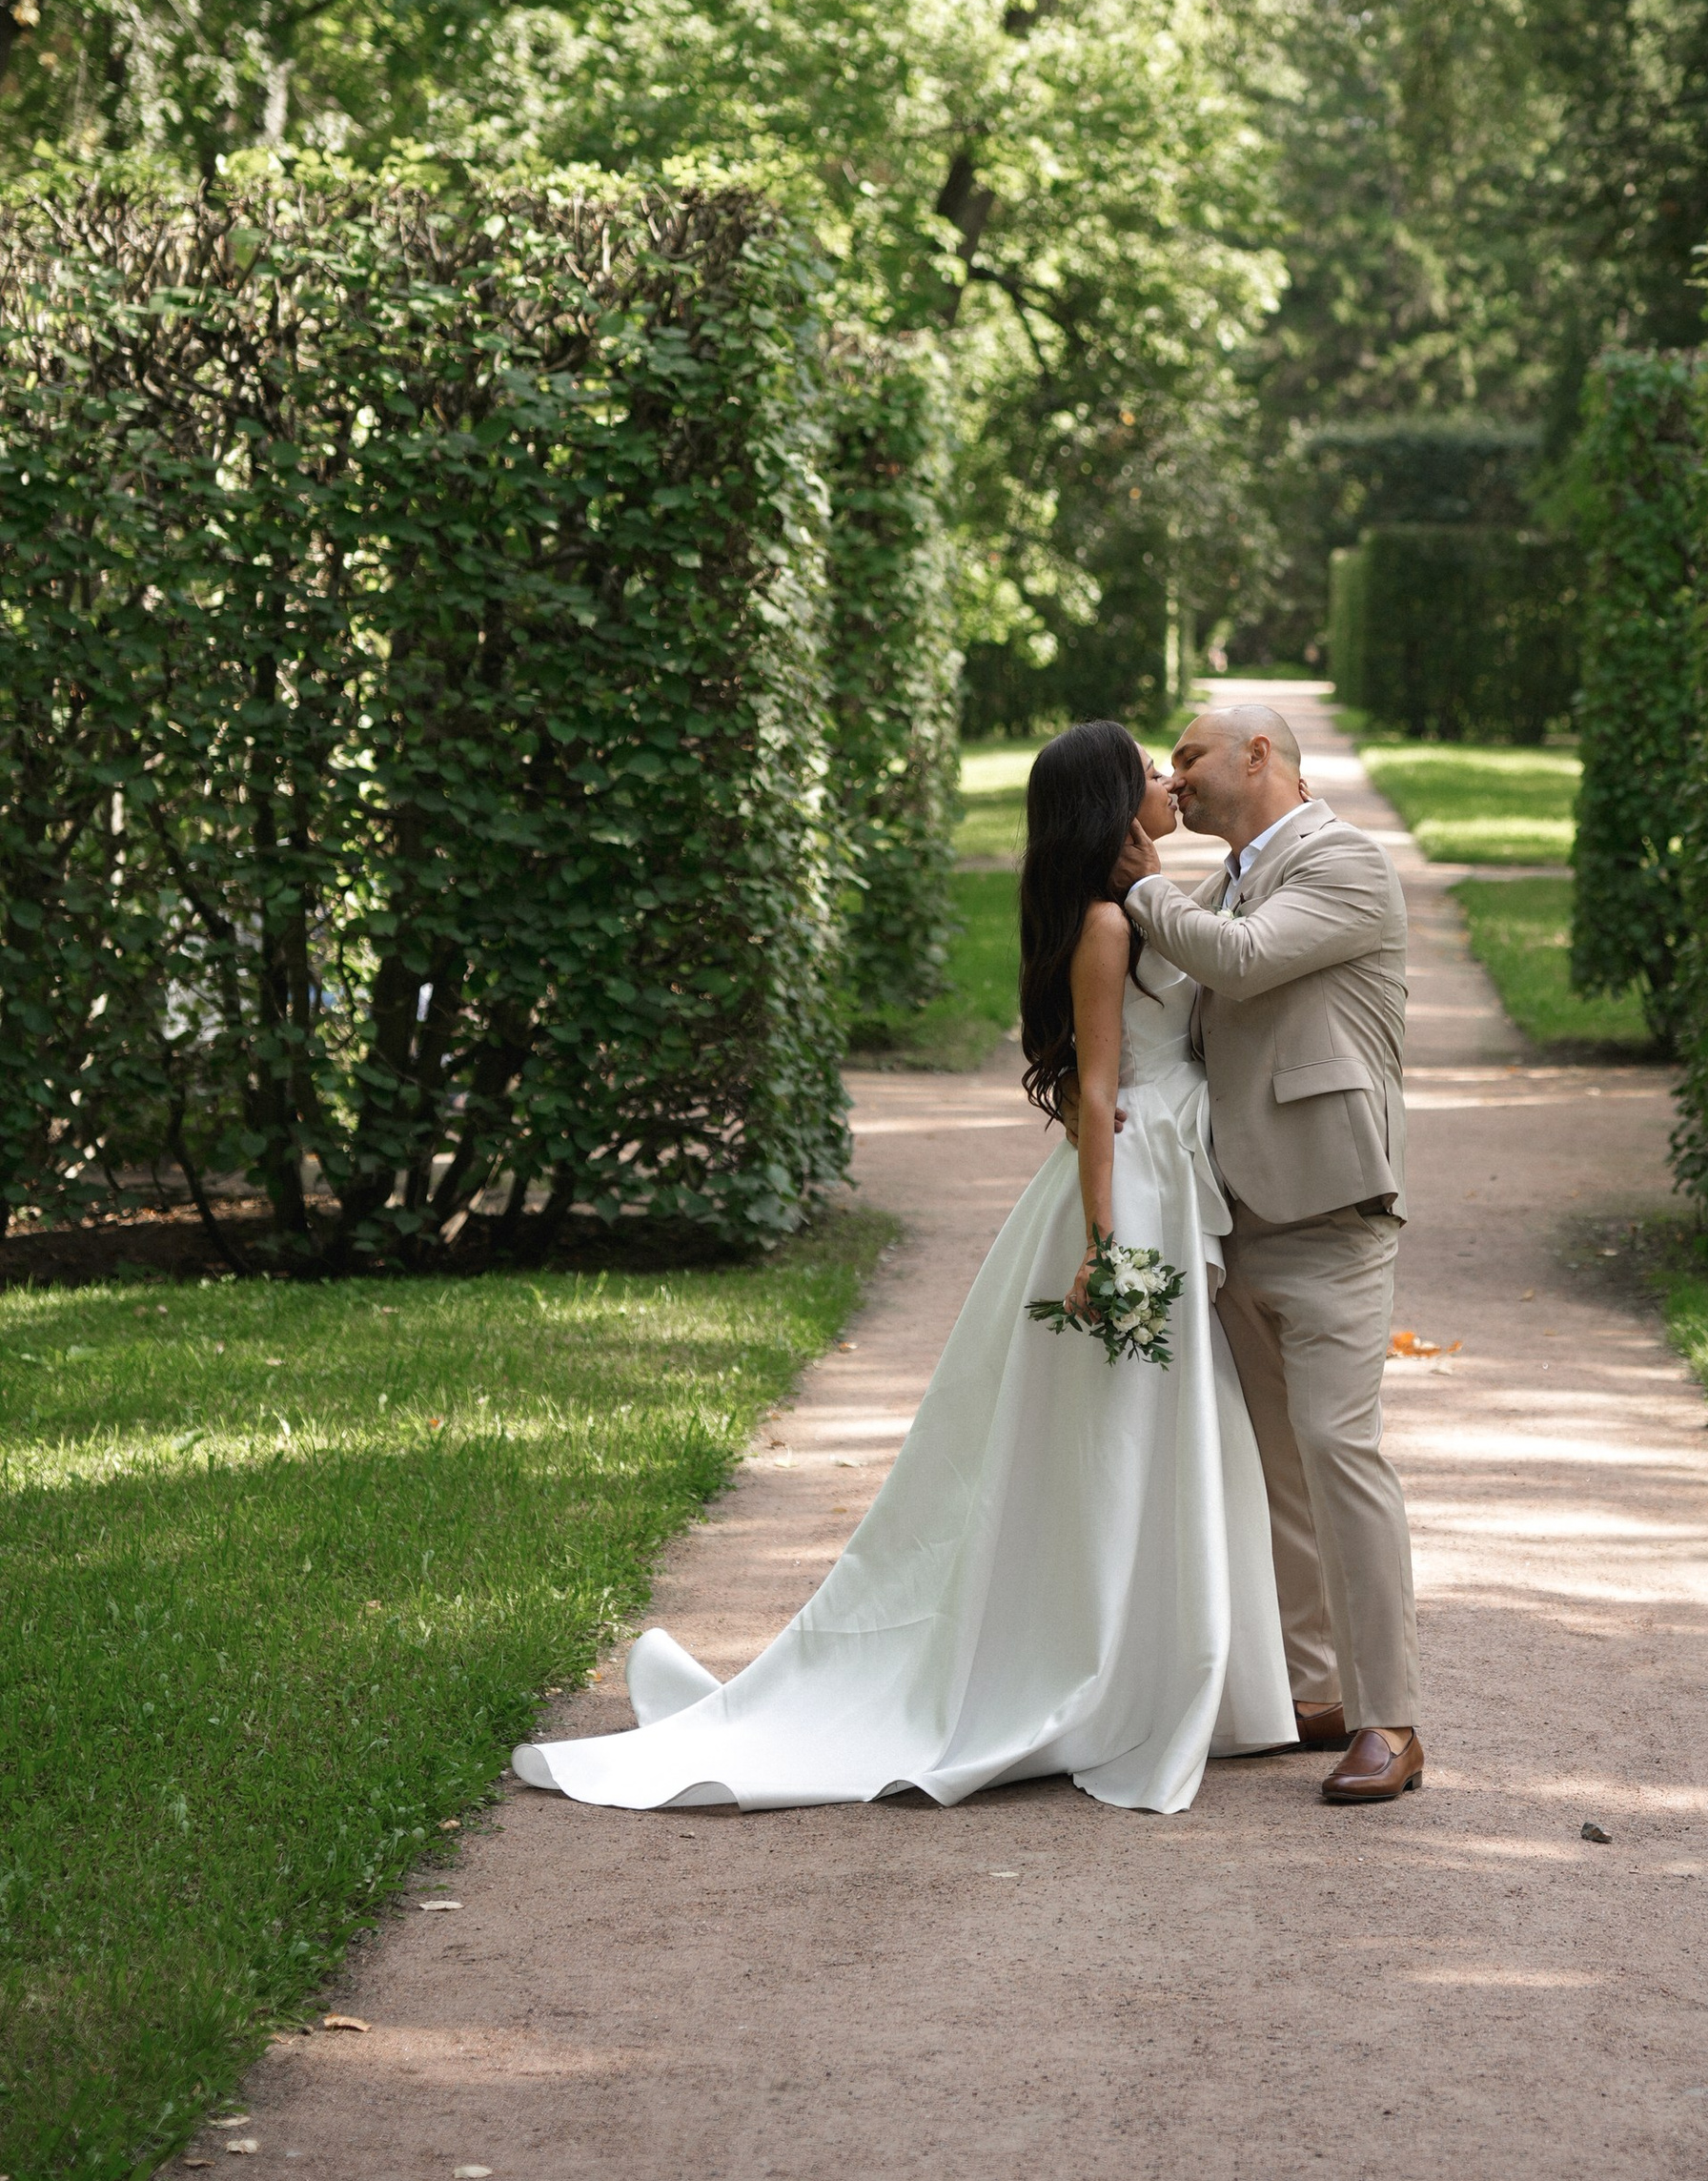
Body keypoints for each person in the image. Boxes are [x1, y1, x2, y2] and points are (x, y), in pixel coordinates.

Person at [511, 722, 1292, 1814]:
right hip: (1135, 1187)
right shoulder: (1108, 927)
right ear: (1112, 810)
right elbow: (1103, 1091)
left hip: (1163, 1170)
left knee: (1162, 1422)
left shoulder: (1142, 901)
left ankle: (1176, 1668)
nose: (1169, 782)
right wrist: (1103, 1243)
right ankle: (1119, 1671)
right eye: (1149, 775)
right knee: (1133, 1422)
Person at [1117, 698, 1422, 1806]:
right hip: (1230, 1213)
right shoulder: (1229, 876)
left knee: (1341, 1458)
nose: (1177, 776)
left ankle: (1389, 1719)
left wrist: (1132, 879)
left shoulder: (1345, 864)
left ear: (1259, 755)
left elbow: (1237, 965)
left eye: (1189, 755)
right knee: (1279, 1474)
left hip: (1332, 1209)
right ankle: (1315, 1692)